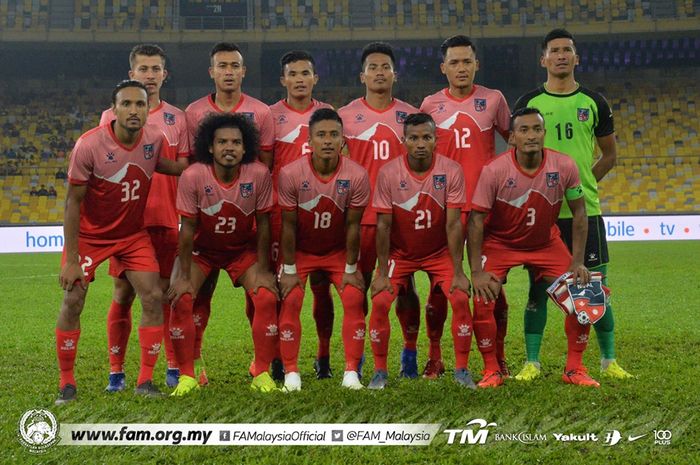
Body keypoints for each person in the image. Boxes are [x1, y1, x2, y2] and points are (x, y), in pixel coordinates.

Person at [55, 80, 185, 405]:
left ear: (147, 109)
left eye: (140, 104)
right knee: (74, 299)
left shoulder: (154, 139)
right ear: (113, 110)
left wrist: (213, 165)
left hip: (131, 236)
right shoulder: (89, 145)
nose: (133, 110)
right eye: (126, 104)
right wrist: (72, 259)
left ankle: (145, 380)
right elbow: (73, 203)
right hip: (90, 237)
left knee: (154, 297)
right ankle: (66, 382)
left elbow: (170, 167)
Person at [513, 28, 632, 381]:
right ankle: (532, 362)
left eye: (567, 50)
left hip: (585, 212)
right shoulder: (529, 104)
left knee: (592, 288)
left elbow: (609, 155)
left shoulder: (594, 102)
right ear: (543, 59)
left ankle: (608, 361)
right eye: (555, 50)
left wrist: (581, 186)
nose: (561, 55)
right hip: (544, 214)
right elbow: (517, 158)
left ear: (576, 58)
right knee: (539, 286)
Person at [467, 107, 599, 388]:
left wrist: (577, 262)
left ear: (544, 133)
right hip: (500, 243)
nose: (531, 136)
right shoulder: (494, 171)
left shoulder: (564, 166)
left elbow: (579, 213)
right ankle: (492, 370)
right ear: (512, 138)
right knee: (482, 297)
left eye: (536, 129)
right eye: (524, 130)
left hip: (545, 242)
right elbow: (476, 221)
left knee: (585, 295)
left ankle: (574, 368)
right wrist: (476, 271)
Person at [99, 44, 190, 392]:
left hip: (166, 218)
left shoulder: (178, 118)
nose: (149, 75)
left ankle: (168, 365)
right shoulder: (110, 116)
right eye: (143, 69)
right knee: (123, 294)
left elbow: (184, 170)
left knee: (165, 294)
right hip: (127, 221)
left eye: (156, 69)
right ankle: (116, 371)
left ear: (165, 75)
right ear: (131, 72)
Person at [184, 42, 278, 381]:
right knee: (195, 297)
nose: (228, 71)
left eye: (234, 66)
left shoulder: (261, 112)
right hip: (205, 230)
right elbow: (192, 169)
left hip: (245, 229)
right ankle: (191, 367)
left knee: (262, 297)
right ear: (211, 72)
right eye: (221, 66)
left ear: (243, 71)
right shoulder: (193, 113)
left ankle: (262, 367)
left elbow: (263, 166)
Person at [167, 113, 279, 396]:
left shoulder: (258, 174)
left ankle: (261, 371)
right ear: (210, 147)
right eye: (222, 142)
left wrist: (265, 271)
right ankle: (188, 375)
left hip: (241, 250)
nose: (229, 147)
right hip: (204, 251)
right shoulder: (193, 175)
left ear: (245, 148)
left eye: (236, 142)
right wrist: (181, 276)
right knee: (181, 298)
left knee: (265, 296)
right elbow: (187, 229)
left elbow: (264, 224)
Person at [420, 34, 512, 379]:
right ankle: (435, 356)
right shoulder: (429, 105)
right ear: (443, 67)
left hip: (487, 210)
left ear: (477, 64)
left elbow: (514, 141)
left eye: (466, 61)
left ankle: (498, 356)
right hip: (445, 212)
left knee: (492, 286)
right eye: (454, 62)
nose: (461, 68)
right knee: (440, 288)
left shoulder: (493, 100)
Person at [368, 113, 474, 390]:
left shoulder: (451, 170)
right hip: (400, 254)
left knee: (460, 297)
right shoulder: (389, 173)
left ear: (436, 140)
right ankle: (380, 372)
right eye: (413, 138)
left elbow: (453, 224)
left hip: (439, 253)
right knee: (380, 300)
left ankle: (462, 370)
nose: (420, 144)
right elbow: (383, 226)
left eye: (426, 137)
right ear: (403, 141)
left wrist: (459, 271)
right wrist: (381, 272)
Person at [337, 42, 423, 379]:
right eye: (372, 67)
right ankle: (355, 360)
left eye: (385, 67)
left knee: (405, 288)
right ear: (362, 76)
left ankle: (410, 353)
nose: (379, 72)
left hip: (400, 218)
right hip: (359, 219)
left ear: (394, 74)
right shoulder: (344, 116)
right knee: (356, 288)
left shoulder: (410, 114)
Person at [277, 108, 370, 391]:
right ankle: (291, 374)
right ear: (309, 139)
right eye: (321, 135)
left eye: (334, 135)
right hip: (301, 252)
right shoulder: (290, 173)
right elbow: (288, 226)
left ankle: (351, 374)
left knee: (354, 298)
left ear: (343, 139)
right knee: (290, 298)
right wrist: (290, 270)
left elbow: (353, 226)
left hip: (337, 252)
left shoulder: (357, 174)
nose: (327, 140)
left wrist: (352, 269)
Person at [269, 51, 337, 379]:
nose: (299, 79)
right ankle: (277, 359)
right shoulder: (270, 117)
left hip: (323, 217)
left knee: (322, 289)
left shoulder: (327, 115)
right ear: (283, 80)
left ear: (315, 78)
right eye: (292, 73)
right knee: (278, 290)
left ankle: (323, 357)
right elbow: (263, 166)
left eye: (305, 73)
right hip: (283, 218)